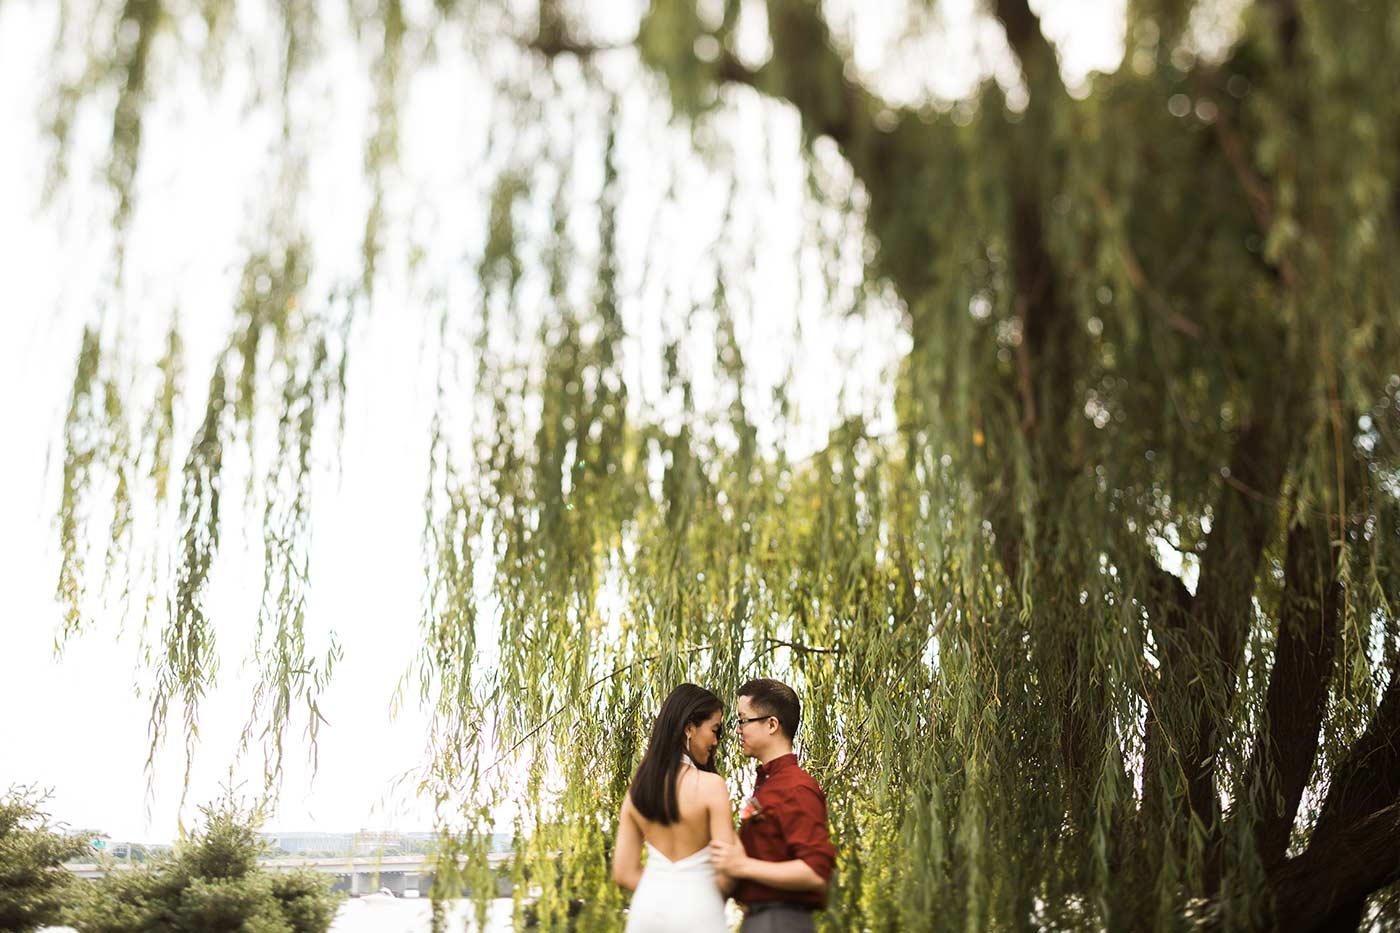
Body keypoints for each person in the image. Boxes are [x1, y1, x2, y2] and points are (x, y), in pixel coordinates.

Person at [711, 678, 836, 932]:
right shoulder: (768, 784)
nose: (737, 730)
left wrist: (742, 865)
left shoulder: (796, 787)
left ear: (771, 725)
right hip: (759, 919)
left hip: (781, 921)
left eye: (743, 720)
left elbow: (815, 872)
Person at [613, 683, 738, 932]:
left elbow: (623, 873)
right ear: (689, 728)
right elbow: (727, 873)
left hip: (647, 911)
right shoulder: (712, 786)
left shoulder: (637, 790)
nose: (716, 741)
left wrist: (662, 889)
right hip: (699, 911)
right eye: (715, 730)